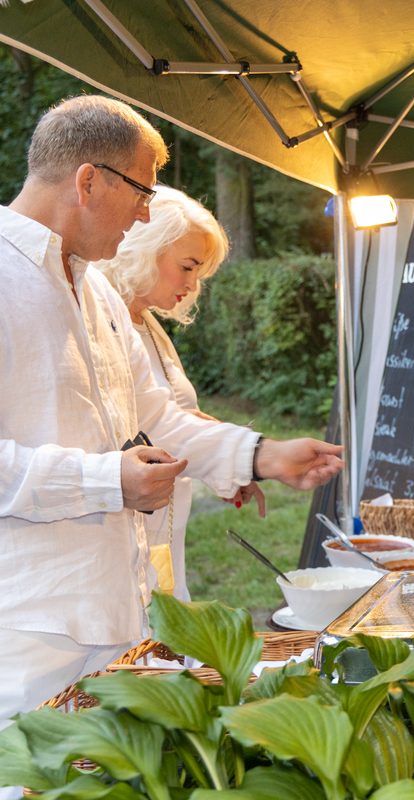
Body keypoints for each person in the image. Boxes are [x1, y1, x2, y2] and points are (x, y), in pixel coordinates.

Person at [0, 94, 342, 725]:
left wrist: (262, 456)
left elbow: (155, 416)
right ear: (88, 181)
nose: (143, 213)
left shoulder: (98, 290)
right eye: (141, 192)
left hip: (120, 617)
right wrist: (108, 480)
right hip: (26, 639)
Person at [94, 186, 265, 601]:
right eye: (187, 267)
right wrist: (249, 454)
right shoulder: (102, 322)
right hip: (120, 539)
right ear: (145, 249)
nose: (192, 285)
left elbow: (174, 413)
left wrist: (231, 461)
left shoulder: (149, 325)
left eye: (199, 274)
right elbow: (144, 426)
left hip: (165, 531)